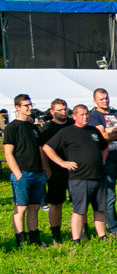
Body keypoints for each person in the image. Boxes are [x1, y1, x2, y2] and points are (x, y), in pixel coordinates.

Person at [42, 105, 109, 243]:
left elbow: (104, 146)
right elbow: (47, 148)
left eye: (87, 114)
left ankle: (102, 236)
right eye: (82, 115)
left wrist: (102, 161)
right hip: (79, 178)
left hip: (98, 176)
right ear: (74, 116)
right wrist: (62, 162)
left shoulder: (94, 131)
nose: (85, 117)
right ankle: (76, 239)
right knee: (79, 210)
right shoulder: (67, 132)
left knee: (100, 209)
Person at [3, 94, 49, 247]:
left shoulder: (33, 127)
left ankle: (34, 238)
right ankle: (21, 240)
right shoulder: (12, 127)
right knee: (21, 207)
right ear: (17, 107)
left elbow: (39, 149)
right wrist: (17, 173)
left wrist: (44, 169)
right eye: (25, 105)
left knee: (34, 207)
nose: (29, 108)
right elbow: (8, 152)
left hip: (37, 173)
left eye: (30, 104)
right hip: (23, 173)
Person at [88, 88, 117, 236]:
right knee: (110, 197)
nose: (105, 101)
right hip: (108, 161)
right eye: (101, 99)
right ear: (95, 101)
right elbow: (103, 137)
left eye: (106, 98)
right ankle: (114, 228)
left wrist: (112, 129)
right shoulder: (94, 117)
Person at [39, 99, 72, 243]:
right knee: (56, 203)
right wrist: (47, 170)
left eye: (65, 109)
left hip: (75, 169)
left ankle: (80, 231)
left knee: (79, 202)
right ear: (52, 112)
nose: (64, 112)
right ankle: (56, 235)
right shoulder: (47, 129)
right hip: (55, 171)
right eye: (60, 110)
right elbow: (42, 150)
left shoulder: (72, 124)